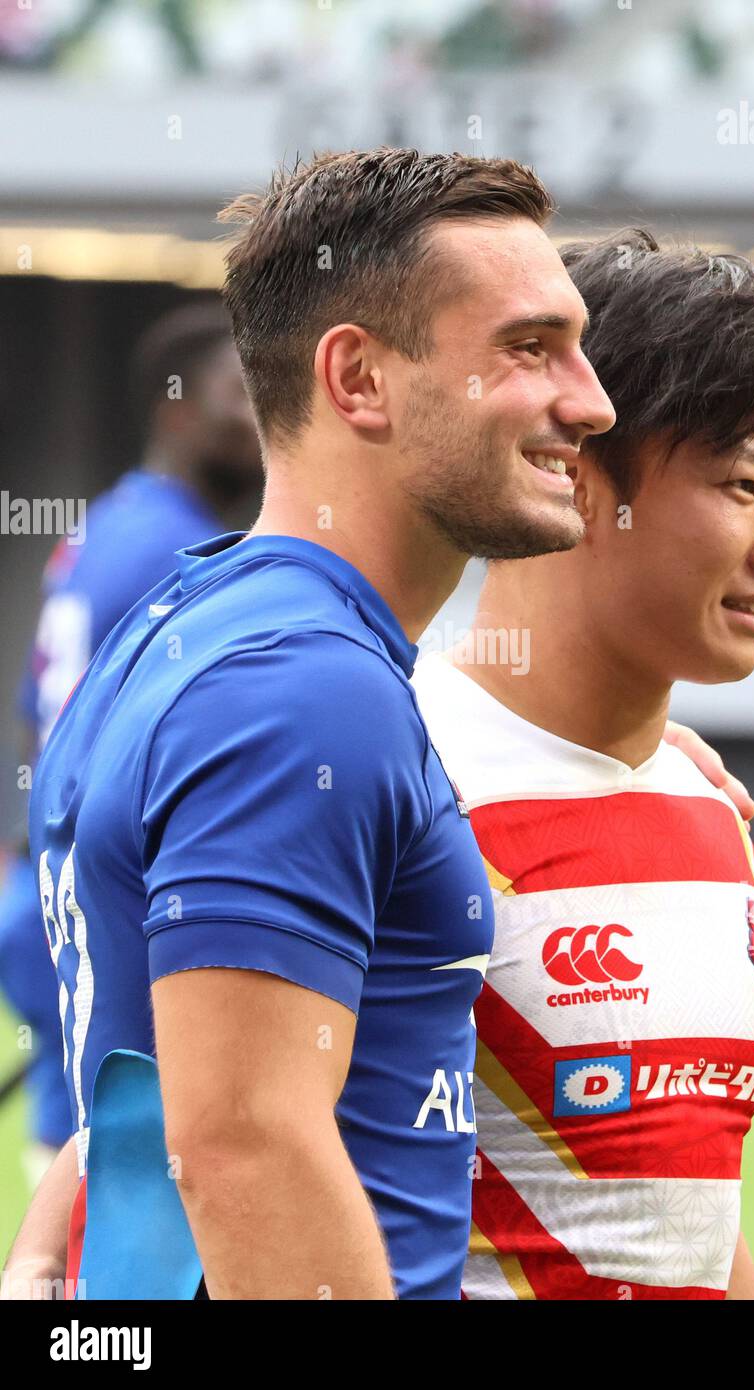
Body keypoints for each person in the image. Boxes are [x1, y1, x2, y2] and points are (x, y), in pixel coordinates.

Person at [5, 146, 618, 1301]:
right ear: (359, 380)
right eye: (529, 348)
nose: (590, 401)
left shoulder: (204, 619)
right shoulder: (304, 686)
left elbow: (160, 1086)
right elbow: (242, 1140)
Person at [411, 229, 754, 1299]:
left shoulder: (707, 804)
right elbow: (212, 1132)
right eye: (741, 485)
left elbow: (670, 1220)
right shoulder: (397, 775)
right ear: (577, 475)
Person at [0, 302, 260, 1185]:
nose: (265, 417)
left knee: (77, 1170)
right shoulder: (175, 548)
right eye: (241, 393)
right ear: (178, 408)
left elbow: (44, 718)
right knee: (110, 1205)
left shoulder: (111, 521)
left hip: (53, 886)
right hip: (104, 897)